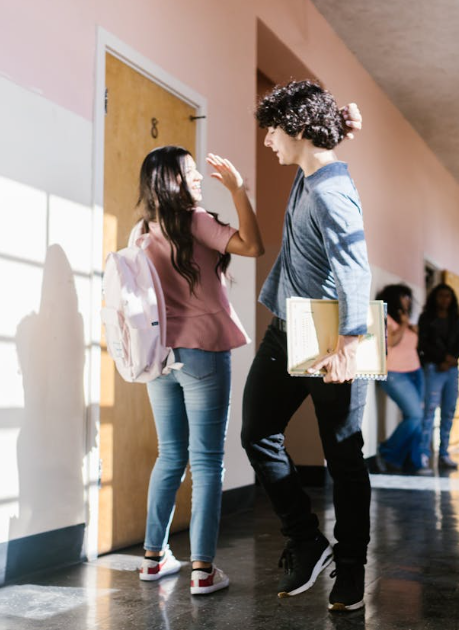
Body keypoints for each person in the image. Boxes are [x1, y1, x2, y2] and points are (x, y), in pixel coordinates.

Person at [241, 80, 372, 612]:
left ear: (297, 129)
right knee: (257, 431)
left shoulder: (330, 193)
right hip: (287, 329)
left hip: (332, 337)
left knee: (343, 455)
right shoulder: (311, 169)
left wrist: (347, 345)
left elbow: (356, 270)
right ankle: (305, 537)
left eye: (274, 129)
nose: (268, 139)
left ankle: (353, 566)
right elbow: (322, 141)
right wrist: (340, 122)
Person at [135, 146, 264, 595]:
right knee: (207, 462)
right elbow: (253, 245)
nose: (197, 178)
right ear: (170, 179)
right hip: (203, 353)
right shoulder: (194, 220)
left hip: (158, 357)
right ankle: (202, 570)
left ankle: (153, 559)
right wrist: (239, 190)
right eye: (189, 172)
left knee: (170, 456)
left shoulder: (142, 230)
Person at [375, 284, 427, 473]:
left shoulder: (406, 321)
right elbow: (390, 343)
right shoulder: (385, 317)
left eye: (409, 296)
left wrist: (413, 329)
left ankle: (412, 462)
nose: (408, 300)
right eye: (403, 296)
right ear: (394, 298)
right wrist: (404, 325)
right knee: (415, 416)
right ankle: (387, 452)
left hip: (415, 371)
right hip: (394, 373)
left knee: (414, 418)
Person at [417, 283, 459, 469]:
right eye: (441, 295)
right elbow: (423, 344)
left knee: (449, 412)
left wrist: (451, 360)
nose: (445, 299)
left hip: (451, 369)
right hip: (433, 368)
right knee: (429, 411)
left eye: (448, 296)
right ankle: (423, 454)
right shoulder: (426, 318)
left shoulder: (455, 318)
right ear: (434, 298)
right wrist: (442, 359)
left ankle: (444, 453)